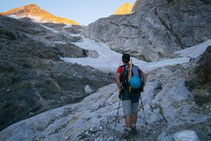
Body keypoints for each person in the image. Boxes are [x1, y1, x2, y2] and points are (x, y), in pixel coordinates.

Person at [115, 54, 147, 137]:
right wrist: (142, 85)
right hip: (136, 91)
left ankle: (128, 131)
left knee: (127, 113)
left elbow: (117, 78)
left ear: (122, 60)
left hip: (126, 91)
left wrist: (120, 88)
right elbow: (144, 75)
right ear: (129, 60)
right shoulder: (135, 67)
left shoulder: (121, 68)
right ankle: (134, 127)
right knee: (134, 111)